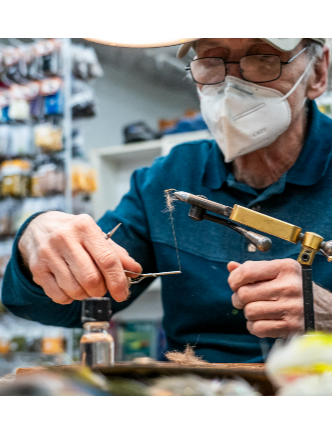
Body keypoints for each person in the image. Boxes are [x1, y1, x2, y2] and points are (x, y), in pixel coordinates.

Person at [2, 38, 332, 363]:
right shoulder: (167, 179)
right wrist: (36, 244)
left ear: (318, 72)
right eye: (211, 61)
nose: (232, 85)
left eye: (263, 59)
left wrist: (328, 314)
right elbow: (71, 305)